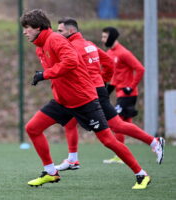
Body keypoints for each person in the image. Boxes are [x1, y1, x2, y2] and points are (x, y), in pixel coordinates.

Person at [21, 9, 151, 189]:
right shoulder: (40, 47)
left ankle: (141, 174)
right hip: (63, 101)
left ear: (37, 27)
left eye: (27, 27)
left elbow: (71, 61)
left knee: (108, 140)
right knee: (33, 128)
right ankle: (51, 172)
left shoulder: (56, 39)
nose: (24, 31)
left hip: (83, 100)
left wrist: (45, 74)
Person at [55, 18, 165, 170]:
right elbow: (108, 63)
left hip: (89, 92)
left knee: (116, 125)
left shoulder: (72, 47)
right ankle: (73, 159)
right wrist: (104, 81)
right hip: (93, 89)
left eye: (60, 31)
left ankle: (153, 144)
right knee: (71, 122)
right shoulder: (89, 44)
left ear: (71, 31)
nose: (57, 34)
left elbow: (64, 68)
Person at [100, 26, 161, 164]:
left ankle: (151, 143)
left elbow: (140, 68)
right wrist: (108, 90)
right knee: (125, 123)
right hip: (120, 92)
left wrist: (131, 86)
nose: (102, 40)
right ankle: (127, 153)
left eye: (104, 37)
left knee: (117, 123)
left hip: (128, 94)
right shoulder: (109, 53)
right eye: (102, 37)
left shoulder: (123, 53)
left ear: (112, 37)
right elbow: (116, 74)